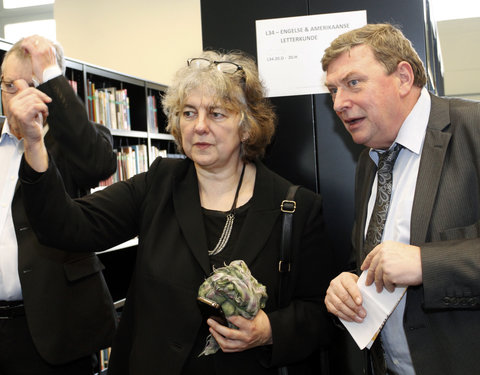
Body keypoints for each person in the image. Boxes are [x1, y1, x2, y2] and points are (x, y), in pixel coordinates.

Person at [15, 50, 334, 374]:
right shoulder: (158, 184)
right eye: (188, 113)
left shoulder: (295, 206)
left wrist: (269, 331)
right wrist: (34, 144)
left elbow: (322, 315)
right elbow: (66, 225)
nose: (199, 127)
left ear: (247, 126)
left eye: (217, 114)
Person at [322, 23, 480, 375]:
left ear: (404, 77)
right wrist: (346, 285)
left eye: (353, 83)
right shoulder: (370, 161)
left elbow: (413, 262)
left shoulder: (473, 128)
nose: (338, 103)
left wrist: (426, 263)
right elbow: (370, 261)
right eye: (332, 90)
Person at [0, 35, 117, 374]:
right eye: (10, 85)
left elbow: (99, 164)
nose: (19, 98)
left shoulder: (75, 143)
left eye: (33, 86)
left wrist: (50, 72)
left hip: (56, 329)